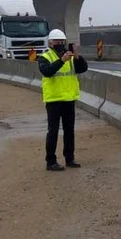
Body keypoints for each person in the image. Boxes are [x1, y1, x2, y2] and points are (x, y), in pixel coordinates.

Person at [38, 29, 88, 171]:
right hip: (53, 100)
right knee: (53, 131)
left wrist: (77, 56)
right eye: (57, 42)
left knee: (69, 130)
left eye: (62, 42)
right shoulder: (45, 57)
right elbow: (47, 72)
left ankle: (69, 158)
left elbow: (82, 68)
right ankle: (51, 161)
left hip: (69, 99)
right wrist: (61, 61)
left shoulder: (70, 57)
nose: (60, 44)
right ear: (50, 43)